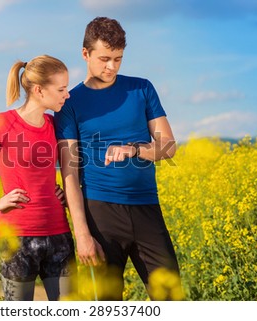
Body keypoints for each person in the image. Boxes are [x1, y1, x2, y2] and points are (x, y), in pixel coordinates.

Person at [54, 17, 180, 300]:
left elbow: (168, 146)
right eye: (104, 59)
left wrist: (134, 149)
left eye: (118, 59)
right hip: (100, 213)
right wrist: (83, 235)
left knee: (172, 299)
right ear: (85, 54)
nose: (111, 67)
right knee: (108, 305)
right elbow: (70, 174)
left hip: (147, 206)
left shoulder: (142, 89)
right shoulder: (68, 104)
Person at [0, 55, 75, 301]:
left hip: (59, 234)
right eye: (61, 89)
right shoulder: (1, 124)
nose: (67, 94)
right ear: (39, 90)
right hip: (16, 238)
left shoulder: (56, 125)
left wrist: (60, 191)